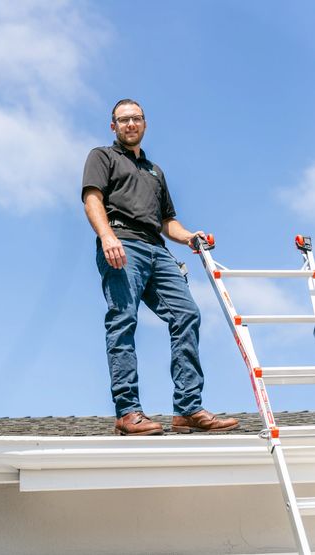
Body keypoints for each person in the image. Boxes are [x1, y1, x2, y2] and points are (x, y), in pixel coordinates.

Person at [82, 98, 239, 436]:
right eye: (123, 120)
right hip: (123, 244)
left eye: (136, 118)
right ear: (114, 126)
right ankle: (128, 413)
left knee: (187, 315)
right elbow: (92, 199)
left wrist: (190, 237)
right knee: (123, 319)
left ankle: (187, 409)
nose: (130, 124)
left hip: (158, 249)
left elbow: (168, 222)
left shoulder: (155, 171)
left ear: (144, 123)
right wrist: (107, 236)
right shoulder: (102, 156)